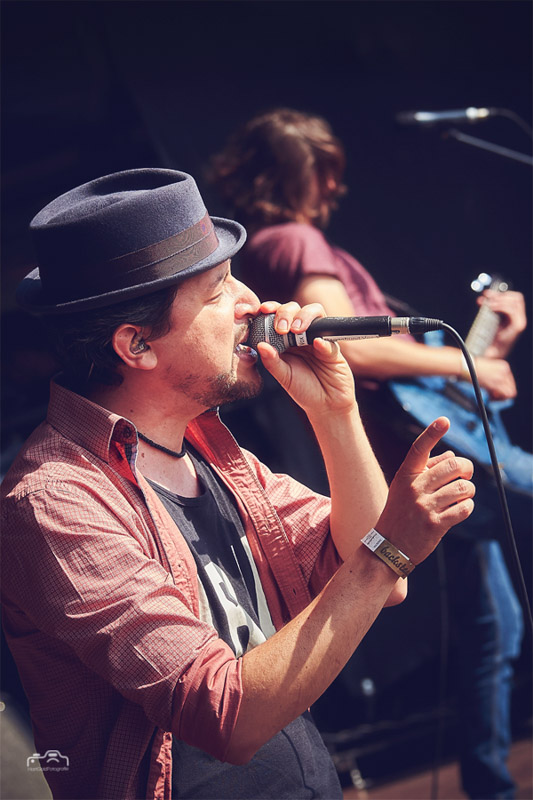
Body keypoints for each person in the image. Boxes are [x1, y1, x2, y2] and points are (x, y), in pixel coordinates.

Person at [0, 168, 475, 800]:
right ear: (137, 343)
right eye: (219, 288)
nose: (251, 302)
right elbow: (226, 716)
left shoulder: (212, 453)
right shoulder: (54, 501)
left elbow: (380, 579)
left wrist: (335, 413)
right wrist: (385, 551)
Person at [209, 109, 530, 800]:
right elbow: (350, 345)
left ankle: (489, 782)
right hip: (424, 451)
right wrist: (464, 366)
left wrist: (484, 353)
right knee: (492, 630)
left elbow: (404, 377)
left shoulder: (272, 245)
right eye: (327, 174)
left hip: (414, 445)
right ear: (302, 173)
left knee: (493, 630)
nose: (337, 189)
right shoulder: (295, 240)